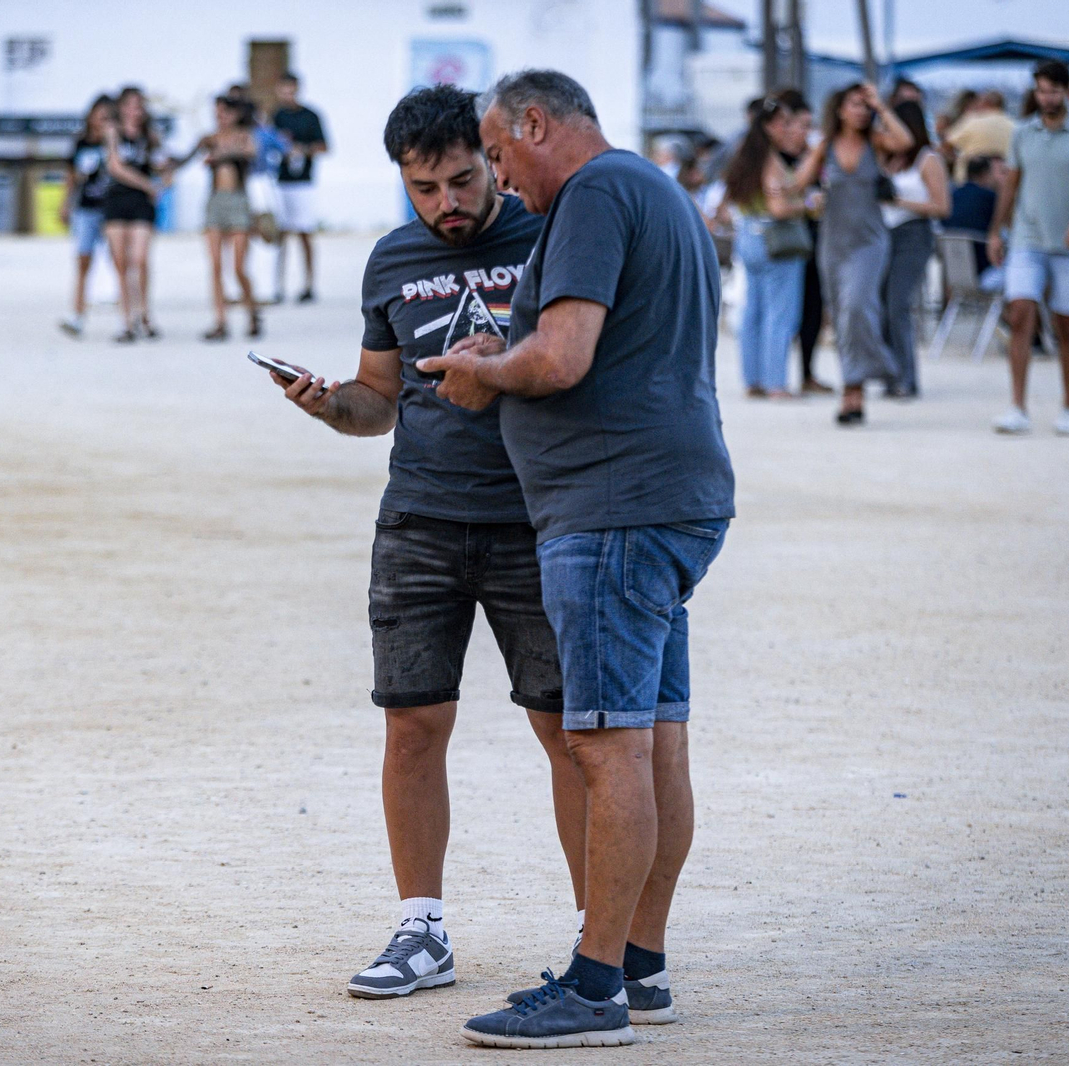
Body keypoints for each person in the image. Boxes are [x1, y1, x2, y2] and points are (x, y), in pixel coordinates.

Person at [420, 69, 734, 1051]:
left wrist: (483, 371)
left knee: (606, 747)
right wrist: (505, 345)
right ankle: (639, 968)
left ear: (535, 122)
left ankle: (594, 988)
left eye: (499, 156)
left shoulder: (593, 194)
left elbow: (562, 357)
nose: (502, 182)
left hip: (612, 512)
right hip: (671, 499)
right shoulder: (656, 190)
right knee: (656, 740)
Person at [265, 82, 591, 1004]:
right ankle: (422, 930)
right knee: (412, 725)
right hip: (419, 519)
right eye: (423, 188)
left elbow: (581, 366)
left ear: (492, 158)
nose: (445, 204)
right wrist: (327, 404)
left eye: (460, 181)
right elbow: (379, 400)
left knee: (568, 732)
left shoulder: (549, 233)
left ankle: (594, 938)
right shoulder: (392, 259)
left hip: (536, 520)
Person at [987, 60, 1069, 436]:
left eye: (1054, 91)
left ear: (1066, 92)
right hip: (1027, 238)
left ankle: (1068, 407)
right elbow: (1011, 185)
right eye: (1042, 91)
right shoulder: (1023, 133)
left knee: (1066, 325)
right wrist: (996, 231)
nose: (1047, 98)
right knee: (1020, 313)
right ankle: (1017, 406)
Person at [792, 82, 913, 425]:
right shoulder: (825, 145)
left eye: (865, 105)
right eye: (854, 104)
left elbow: (905, 142)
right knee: (842, 316)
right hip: (833, 243)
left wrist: (882, 106)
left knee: (858, 307)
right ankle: (854, 392)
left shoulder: (876, 142)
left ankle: (876, 372)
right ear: (840, 109)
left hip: (869, 241)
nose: (860, 111)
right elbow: (798, 183)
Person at [721, 96, 807, 399]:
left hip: (748, 235)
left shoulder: (744, 157)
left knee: (753, 311)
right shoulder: (771, 161)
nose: (789, 129)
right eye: (784, 123)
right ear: (769, 126)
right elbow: (778, 208)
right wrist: (808, 205)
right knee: (780, 313)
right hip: (775, 240)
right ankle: (776, 383)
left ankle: (753, 380)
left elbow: (727, 203)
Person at [171, 94, 260, 341]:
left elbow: (251, 153)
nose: (220, 117)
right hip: (215, 203)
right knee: (216, 266)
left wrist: (221, 154)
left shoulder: (244, 136)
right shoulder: (209, 138)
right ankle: (220, 320)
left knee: (239, 267)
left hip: (238, 202)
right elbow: (184, 160)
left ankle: (252, 311)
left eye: (225, 112)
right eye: (218, 113)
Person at [879, 99, 951, 398]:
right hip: (884, 234)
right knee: (881, 305)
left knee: (898, 304)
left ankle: (907, 377)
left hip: (913, 234)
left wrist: (899, 202)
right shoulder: (888, 159)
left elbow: (942, 206)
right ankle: (889, 374)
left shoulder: (927, 159)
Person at [776, 89, 834, 394]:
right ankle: (777, 376)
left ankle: (807, 373)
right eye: (802, 125)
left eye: (810, 125)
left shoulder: (811, 157)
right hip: (787, 242)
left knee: (813, 308)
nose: (806, 132)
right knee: (786, 310)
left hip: (813, 239)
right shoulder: (778, 159)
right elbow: (792, 188)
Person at [102, 86, 162, 342]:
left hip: (141, 203)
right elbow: (115, 166)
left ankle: (143, 312)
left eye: (139, 106)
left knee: (140, 259)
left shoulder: (150, 136)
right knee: (121, 263)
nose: (135, 111)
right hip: (117, 199)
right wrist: (147, 184)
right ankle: (126, 319)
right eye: (131, 105)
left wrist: (164, 176)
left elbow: (160, 164)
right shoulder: (113, 132)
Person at [58, 95, 114, 338]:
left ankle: (129, 313)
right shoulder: (81, 143)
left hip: (112, 208)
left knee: (121, 260)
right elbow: (71, 176)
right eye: (99, 116)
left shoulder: (116, 142)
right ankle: (78, 313)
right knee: (83, 260)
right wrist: (65, 203)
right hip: (86, 207)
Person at [272, 72, 328, 303]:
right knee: (280, 235)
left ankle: (308, 284)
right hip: (281, 182)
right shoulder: (275, 117)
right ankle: (277, 285)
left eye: (291, 90)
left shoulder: (310, 116)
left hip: (303, 183)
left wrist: (303, 150)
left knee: (305, 233)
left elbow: (324, 146)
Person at [947, 155, 999, 276]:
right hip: (982, 265)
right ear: (985, 174)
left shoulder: (953, 194)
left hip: (952, 267)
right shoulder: (989, 197)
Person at [946, 91, 1015, 182]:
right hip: (1004, 179)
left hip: (969, 180)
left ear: (985, 103)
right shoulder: (1014, 125)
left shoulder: (971, 121)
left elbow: (947, 144)